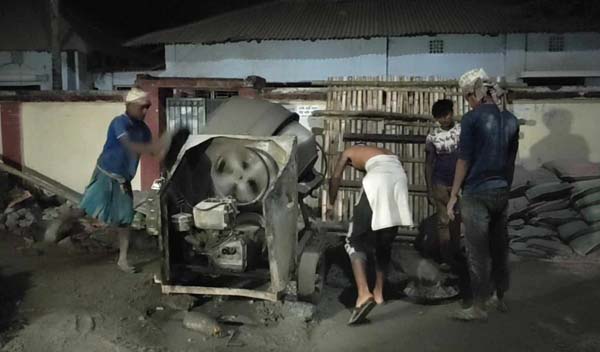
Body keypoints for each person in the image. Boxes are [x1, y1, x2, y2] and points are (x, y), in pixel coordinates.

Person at [446, 69, 519, 321]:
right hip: (500, 191)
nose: (468, 101)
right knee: (500, 247)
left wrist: (454, 194)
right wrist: (504, 188)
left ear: (472, 93)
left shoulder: (472, 119)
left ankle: (478, 307)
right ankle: (499, 297)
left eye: (467, 97)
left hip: (477, 193)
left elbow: (464, 160)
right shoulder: (510, 120)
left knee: (477, 252)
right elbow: (510, 163)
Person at [77, 88, 164, 273]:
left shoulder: (143, 130)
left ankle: (122, 260)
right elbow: (129, 145)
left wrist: (167, 146)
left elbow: (152, 151)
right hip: (105, 174)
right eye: (142, 107)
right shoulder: (119, 123)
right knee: (85, 210)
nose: (145, 111)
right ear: (130, 106)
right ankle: (59, 226)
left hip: (123, 179)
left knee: (125, 220)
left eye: (147, 107)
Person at [327, 145, 413, 325]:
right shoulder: (382, 152)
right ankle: (379, 293)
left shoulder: (347, 153)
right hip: (399, 177)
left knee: (353, 239)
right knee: (384, 238)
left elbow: (335, 177)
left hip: (379, 179)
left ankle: (364, 293)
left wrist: (330, 203)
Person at [425, 99, 471, 301]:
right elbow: (428, 163)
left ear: (452, 113)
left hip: (459, 183)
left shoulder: (462, 131)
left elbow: (469, 155)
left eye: (447, 114)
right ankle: (447, 258)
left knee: (457, 220)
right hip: (440, 183)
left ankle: (455, 254)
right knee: (443, 222)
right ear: (436, 118)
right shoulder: (432, 136)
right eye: (441, 116)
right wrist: (429, 188)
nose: (445, 119)